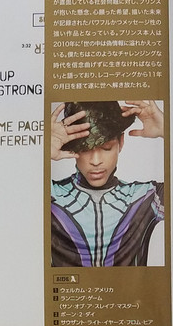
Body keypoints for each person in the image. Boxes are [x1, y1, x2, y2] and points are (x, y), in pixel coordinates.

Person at [50, 100, 165, 267]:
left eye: (106, 148)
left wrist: (167, 130)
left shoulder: (146, 198)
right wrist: (40, 151)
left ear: (121, 142)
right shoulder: (50, 196)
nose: (96, 161)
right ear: (72, 145)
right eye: (85, 149)